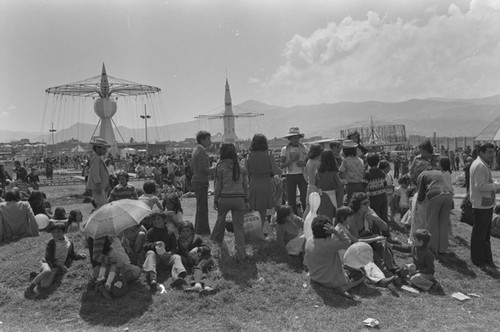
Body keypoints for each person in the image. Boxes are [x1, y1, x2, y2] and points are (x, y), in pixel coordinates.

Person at [304, 215, 364, 298]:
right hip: (329, 281)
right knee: (360, 274)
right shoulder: (330, 244)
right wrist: (336, 231)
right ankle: (344, 288)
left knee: (345, 266)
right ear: (328, 231)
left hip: (314, 276)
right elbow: (347, 241)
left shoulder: (309, 240)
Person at [211, 143, 249, 262]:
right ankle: (242, 255)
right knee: (239, 227)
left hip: (225, 198)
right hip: (239, 199)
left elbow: (217, 186)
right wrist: (246, 199)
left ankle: (218, 251)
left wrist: (216, 199)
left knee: (220, 224)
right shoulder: (241, 166)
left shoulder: (220, 166)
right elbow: (245, 185)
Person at [26, 221, 86, 295]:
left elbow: (72, 254)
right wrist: (60, 264)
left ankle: (39, 275)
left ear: (64, 232)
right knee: (47, 271)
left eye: (58, 232)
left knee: (44, 285)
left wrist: (79, 256)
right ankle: (30, 288)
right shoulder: (51, 243)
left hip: (56, 268)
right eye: (53, 232)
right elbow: (49, 257)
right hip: (47, 263)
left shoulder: (69, 242)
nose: (56, 234)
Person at [469, 142, 500, 276]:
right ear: (481, 152)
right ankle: (478, 260)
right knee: (479, 235)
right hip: (481, 204)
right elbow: (480, 185)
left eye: (493, 152)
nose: (492, 155)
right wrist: (495, 186)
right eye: (489, 152)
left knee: (485, 234)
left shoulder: (482, 164)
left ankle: (486, 259)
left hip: (485, 203)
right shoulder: (480, 165)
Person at [142, 212, 187, 291]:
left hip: (167, 257)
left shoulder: (170, 232)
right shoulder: (150, 232)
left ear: (164, 220)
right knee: (150, 253)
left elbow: (175, 247)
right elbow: (145, 246)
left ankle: (177, 277)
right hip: (155, 258)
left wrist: (170, 253)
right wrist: (154, 244)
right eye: (154, 219)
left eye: (158, 219)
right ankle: (152, 278)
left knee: (176, 257)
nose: (156, 221)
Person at [246, 134, 282, 228]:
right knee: (263, 210)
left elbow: (247, 172)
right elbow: (275, 170)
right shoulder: (269, 154)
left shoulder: (248, 156)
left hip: (253, 183)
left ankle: (256, 229)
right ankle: (261, 231)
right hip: (266, 183)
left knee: (255, 209)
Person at [416, 168, 453, 255]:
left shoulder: (421, 175)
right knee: (443, 223)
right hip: (449, 194)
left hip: (435, 194)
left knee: (432, 222)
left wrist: (418, 202)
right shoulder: (437, 172)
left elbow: (420, 193)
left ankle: (432, 248)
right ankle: (442, 249)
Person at [175, 220, 215, 294]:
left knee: (197, 268)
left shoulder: (197, 238)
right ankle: (208, 287)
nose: (185, 233)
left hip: (205, 258)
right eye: (183, 231)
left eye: (187, 231)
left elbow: (207, 248)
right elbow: (178, 251)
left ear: (192, 231)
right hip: (194, 261)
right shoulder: (179, 240)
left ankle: (197, 285)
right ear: (180, 232)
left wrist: (198, 248)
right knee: (201, 272)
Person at [280, 127, 309, 216]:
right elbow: (281, 165)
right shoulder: (285, 149)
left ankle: (306, 216)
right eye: (294, 137)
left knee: (304, 198)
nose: (296, 139)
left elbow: (309, 161)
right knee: (291, 199)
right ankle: (294, 217)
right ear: (290, 139)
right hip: (290, 175)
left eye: (297, 137)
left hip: (302, 175)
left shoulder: (305, 148)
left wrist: (304, 163)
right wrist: (291, 161)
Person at [191, 131, 215, 235]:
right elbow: (203, 169)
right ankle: (203, 230)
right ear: (202, 140)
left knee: (201, 207)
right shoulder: (201, 151)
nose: (210, 141)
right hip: (201, 181)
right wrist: (214, 168)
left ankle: (199, 229)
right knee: (202, 208)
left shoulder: (196, 150)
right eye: (208, 139)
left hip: (197, 180)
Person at [315, 150, 344, 219]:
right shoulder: (333, 172)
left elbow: (316, 183)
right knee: (331, 216)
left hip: (321, 195)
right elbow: (339, 184)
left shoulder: (319, 172)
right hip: (331, 195)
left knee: (322, 215)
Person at [86, 137, 110, 208]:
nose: (105, 151)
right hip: (97, 187)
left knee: (102, 205)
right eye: (104, 148)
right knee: (101, 207)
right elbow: (95, 173)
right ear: (97, 148)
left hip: (100, 187)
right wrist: (98, 186)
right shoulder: (95, 158)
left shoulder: (97, 157)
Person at [303, 144, 322, 218]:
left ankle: (304, 222)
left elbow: (304, 174)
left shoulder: (309, 161)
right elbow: (318, 176)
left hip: (309, 185)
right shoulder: (317, 163)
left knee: (308, 207)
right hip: (315, 186)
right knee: (315, 208)